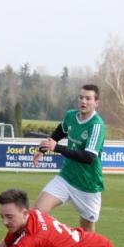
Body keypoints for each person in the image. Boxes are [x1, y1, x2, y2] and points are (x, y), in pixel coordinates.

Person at [32, 84, 105, 232]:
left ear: (96, 103)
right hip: (66, 178)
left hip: (88, 185)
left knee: (87, 234)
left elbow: (88, 157)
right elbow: (61, 131)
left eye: (88, 98)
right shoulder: (71, 116)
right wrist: (44, 148)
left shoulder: (97, 125)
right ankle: (56, 240)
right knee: (36, 214)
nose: (83, 101)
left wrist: (57, 148)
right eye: (81, 97)